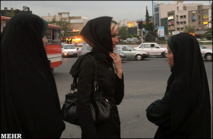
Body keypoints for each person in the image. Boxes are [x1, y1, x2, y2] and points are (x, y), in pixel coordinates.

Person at [1, 13, 65, 138]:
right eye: (42, 35)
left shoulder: (8, 67)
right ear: (29, 37)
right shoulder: (31, 75)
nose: (46, 40)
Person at [146, 33, 211, 138]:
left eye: (170, 52)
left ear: (181, 55)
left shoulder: (181, 85)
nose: (167, 56)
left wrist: (156, 104)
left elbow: (154, 114)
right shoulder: (198, 79)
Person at [70, 16, 124, 138]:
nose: (117, 40)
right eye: (113, 36)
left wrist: (119, 71)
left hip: (112, 127)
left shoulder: (108, 60)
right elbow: (82, 105)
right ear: (102, 37)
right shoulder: (89, 62)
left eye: (117, 35)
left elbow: (117, 99)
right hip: (98, 131)